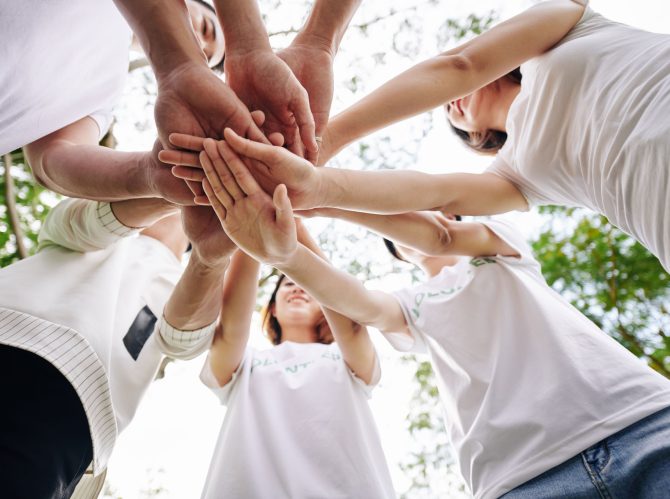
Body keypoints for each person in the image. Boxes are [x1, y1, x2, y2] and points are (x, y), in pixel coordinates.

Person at [195, 139, 670, 499]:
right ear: (400, 254)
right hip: (520, 476)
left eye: (419, 210)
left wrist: (318, 198)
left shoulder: (503, 247)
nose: (415, 219)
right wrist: (283, 241)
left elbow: (442, 238)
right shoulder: (410, 306)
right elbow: (359, 305)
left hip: (637, 421)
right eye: (401, 221)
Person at [168, 0, 670, 272]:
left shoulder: (572, 22)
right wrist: (309, 188)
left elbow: (459, 65)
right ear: (478, 137)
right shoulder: (517, 180)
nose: (452, 108)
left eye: (451, 105)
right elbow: (437, 198)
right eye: (454, 125)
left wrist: (319, 141)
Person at [0, 194, 238, 498]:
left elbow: (185, 340)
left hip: (66, 418)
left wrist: (209, 259)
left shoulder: (187, 282)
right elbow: (81, 221)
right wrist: (173, 188)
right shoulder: (98, 217)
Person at [196, 144, 395, 497]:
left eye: (305, 285)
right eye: (286, 284)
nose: (297, 289)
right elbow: (229, 329)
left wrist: (289, 220)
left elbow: (350, 321)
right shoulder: (248, 366)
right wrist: (252, 226)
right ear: (270, 310)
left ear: (324, 307)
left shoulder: (345, 363)